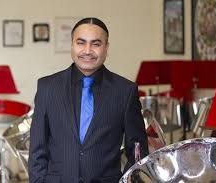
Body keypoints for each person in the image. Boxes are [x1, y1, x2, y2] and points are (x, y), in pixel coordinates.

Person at [28, 17, 148, 183]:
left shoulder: (125, 91)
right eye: (81, 42)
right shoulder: (47, 88)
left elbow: (138, 153)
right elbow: (37, 151)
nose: (87, 50)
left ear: (106, 48)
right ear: (72, 45)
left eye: (96, 44)